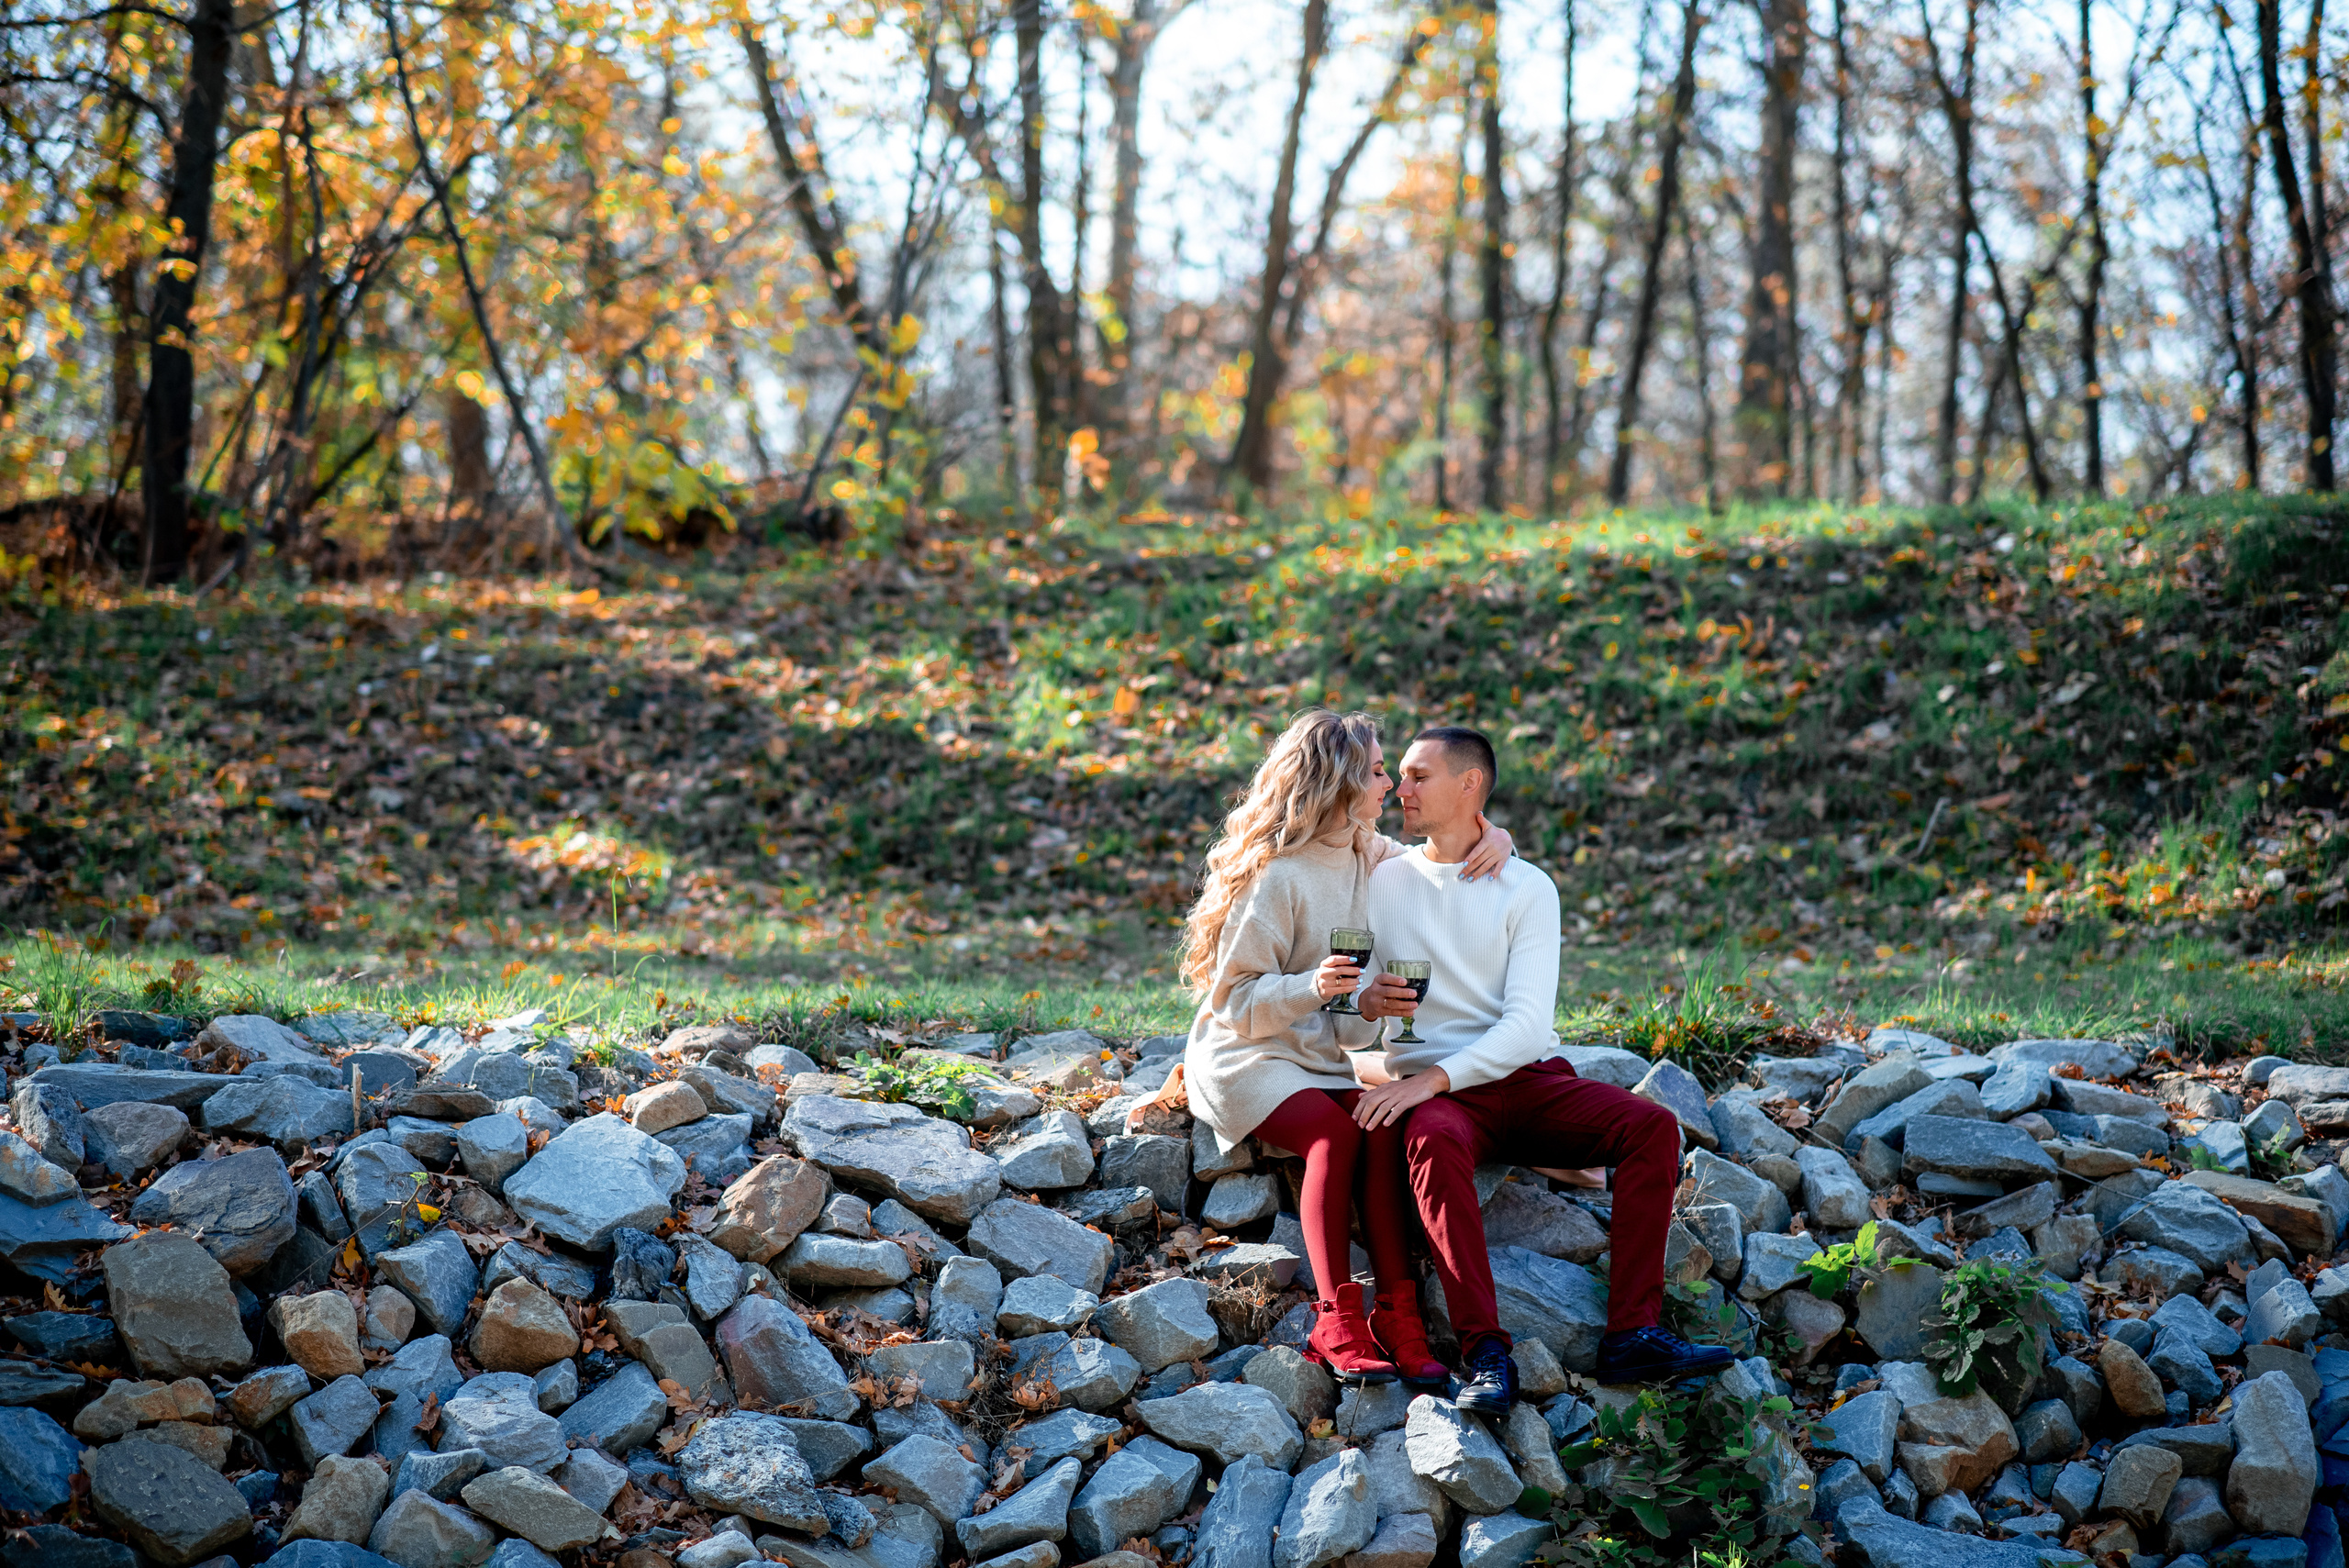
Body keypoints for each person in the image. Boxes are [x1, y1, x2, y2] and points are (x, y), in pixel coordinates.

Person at [1353, 724, 1734, 1408]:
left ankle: (1633, 1334)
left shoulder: (1527, 886)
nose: (1400, 788)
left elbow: (1527, 1025)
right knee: (1431, 1141)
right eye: (1400, 774)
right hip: (1446, 1103)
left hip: (1523, 1082)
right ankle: (1485, 1354)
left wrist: (1430, 1078)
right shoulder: (1382, 879)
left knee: (1652, 1127)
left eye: (1418, 776)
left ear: (1470, 785)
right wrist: (1368, 1011)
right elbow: (1348, 996)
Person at [1179, 709, 1513, 1383]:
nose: (1391, 784)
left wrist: (1492, 834)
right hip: (1244, 1055)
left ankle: (1399, 1315)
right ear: (1338, 780)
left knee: (1380, 1128)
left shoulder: (1367, 853)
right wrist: (1311, 987)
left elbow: (1438, 860)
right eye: (1379, 770)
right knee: (1335, 1136)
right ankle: (1335, 1318)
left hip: (1316, 1054)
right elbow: (1232, 1000)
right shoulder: (1277, 875)